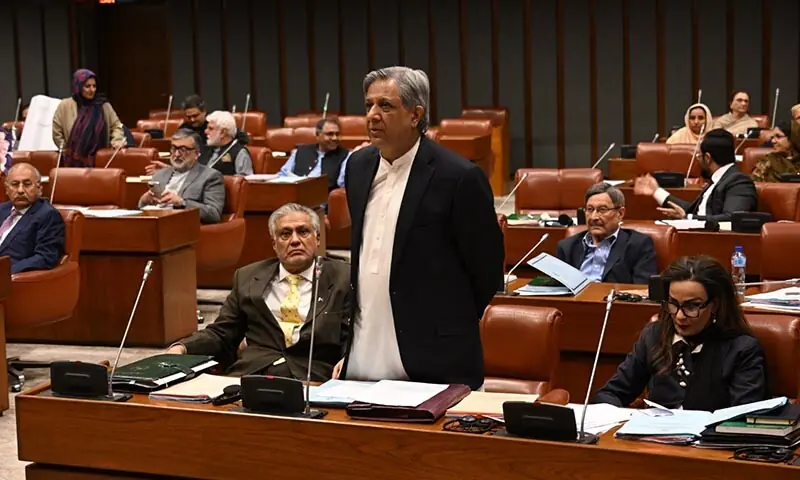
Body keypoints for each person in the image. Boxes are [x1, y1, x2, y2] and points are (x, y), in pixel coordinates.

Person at [335, 66, 504, 390]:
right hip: (365, 343)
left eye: (385, 106)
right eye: (368, 105)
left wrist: (447, 323)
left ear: (416, 115)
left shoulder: (457, 177)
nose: (372, 115)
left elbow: (486, 270)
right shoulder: (358, 166)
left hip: (433, 354)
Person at [167, 204, 351, 379]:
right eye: (285, 234)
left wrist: (348, 359)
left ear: (317, 238)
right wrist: (182, 347)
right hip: (253, 373)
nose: (295, 240)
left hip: (313, 375)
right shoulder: (248, 277)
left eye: (303, 232)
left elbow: (354, 334)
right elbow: (223, 332)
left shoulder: (343, 277)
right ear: (274, 243)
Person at [594, 256, 767, 411]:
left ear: (714, 305)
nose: (679, 315)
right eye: (673, 303)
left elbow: (743, 419)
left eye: (692, 306)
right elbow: (610, 394)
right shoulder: (655, 335)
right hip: (651, 442)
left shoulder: (741, 349)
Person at [633, 129, 757, 221]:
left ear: (707, 158)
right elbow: (693, 209)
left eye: (699, 156)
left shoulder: (739, 182)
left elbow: (731, 218)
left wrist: (688, 218)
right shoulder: (717, 179)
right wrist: (656, 191)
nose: (698, 160)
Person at [556, 183, 656, 284]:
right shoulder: (567, 247)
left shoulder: (638, 245)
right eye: (590, 210)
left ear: (620, 213)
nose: (594, 217)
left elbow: (642, 289)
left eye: (602, 210)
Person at [138, 128, 225, 224]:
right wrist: (144, 201)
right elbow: (143, 209)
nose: (177, 154)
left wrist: (182, 203)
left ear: (196, 153)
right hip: (154, 224)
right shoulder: (159, 174)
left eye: (183, 150)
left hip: (183, 227)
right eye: (174, 148)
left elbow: (214, 214)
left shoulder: (211, 176)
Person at [52, 69, 125, 167]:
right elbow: (57, 130)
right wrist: (67, 150)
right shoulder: (65, 105)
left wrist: (117, 140)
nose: (92, 90)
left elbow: (116, 125)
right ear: (78, 87)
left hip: (101, 158)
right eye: (87, 86)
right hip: (73, 160)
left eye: (94, 86)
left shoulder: (103, 105)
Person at [0, 163, 65, 274]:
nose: (20, 190)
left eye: (27, 184)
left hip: (13, 280)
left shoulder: (48, 215)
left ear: (39, 188)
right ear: (6, 189)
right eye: (15, 184)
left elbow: (46, 257)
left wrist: (5, 272)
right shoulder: (2, 209)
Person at [278, 118, 350, 191]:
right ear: (317, 135)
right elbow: (283, 174)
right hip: (295, 195)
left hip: (323, 198)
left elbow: (342, 183)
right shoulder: (300, 151)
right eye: (330, 134)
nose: (335, 138)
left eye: (337, 134)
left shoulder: (345, 155)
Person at [199, 111, 254, 176]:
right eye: (206, 128)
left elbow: (244, 181)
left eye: (210, 128)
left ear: (223, 132)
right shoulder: (205, 149)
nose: (205, 131)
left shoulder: (239, 152)